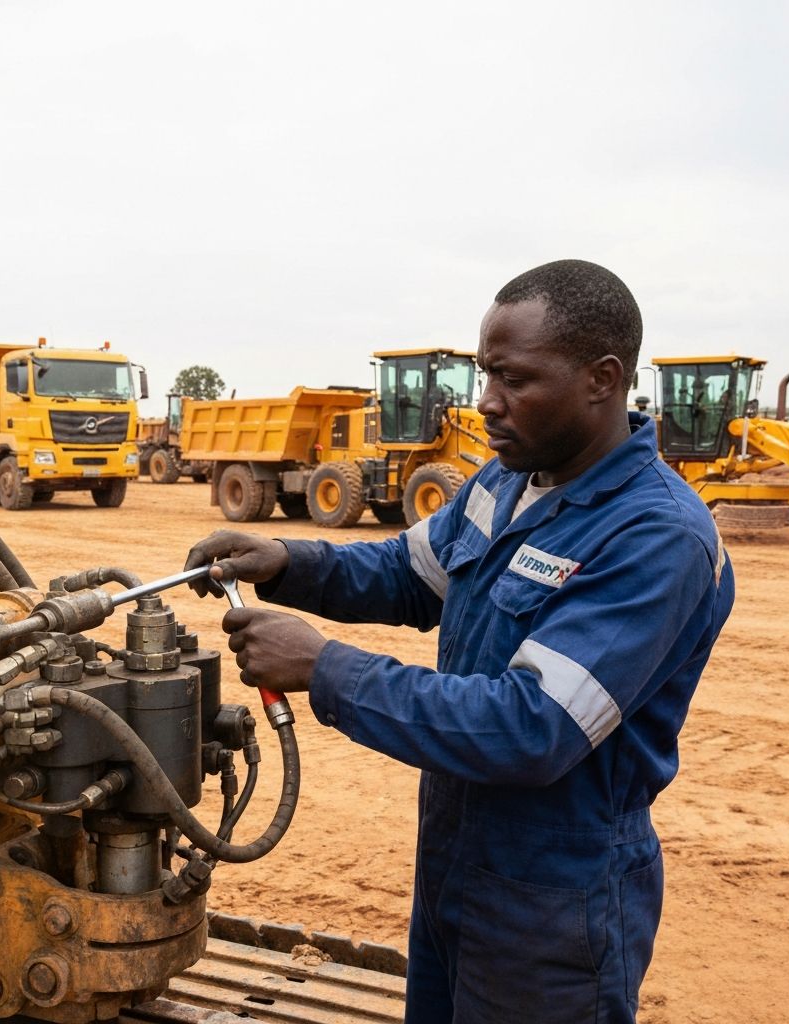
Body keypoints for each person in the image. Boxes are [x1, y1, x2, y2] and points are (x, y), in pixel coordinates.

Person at [184, 259, 735, 1023]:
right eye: (485, 374)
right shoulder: (506, 482)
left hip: (552, 903)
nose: (488, 404)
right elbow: (407, 574)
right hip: (457, 863)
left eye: (514, 379)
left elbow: (531, 728)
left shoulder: (654, 535)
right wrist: (289, 563)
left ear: (602, 379)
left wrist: (324, 667)